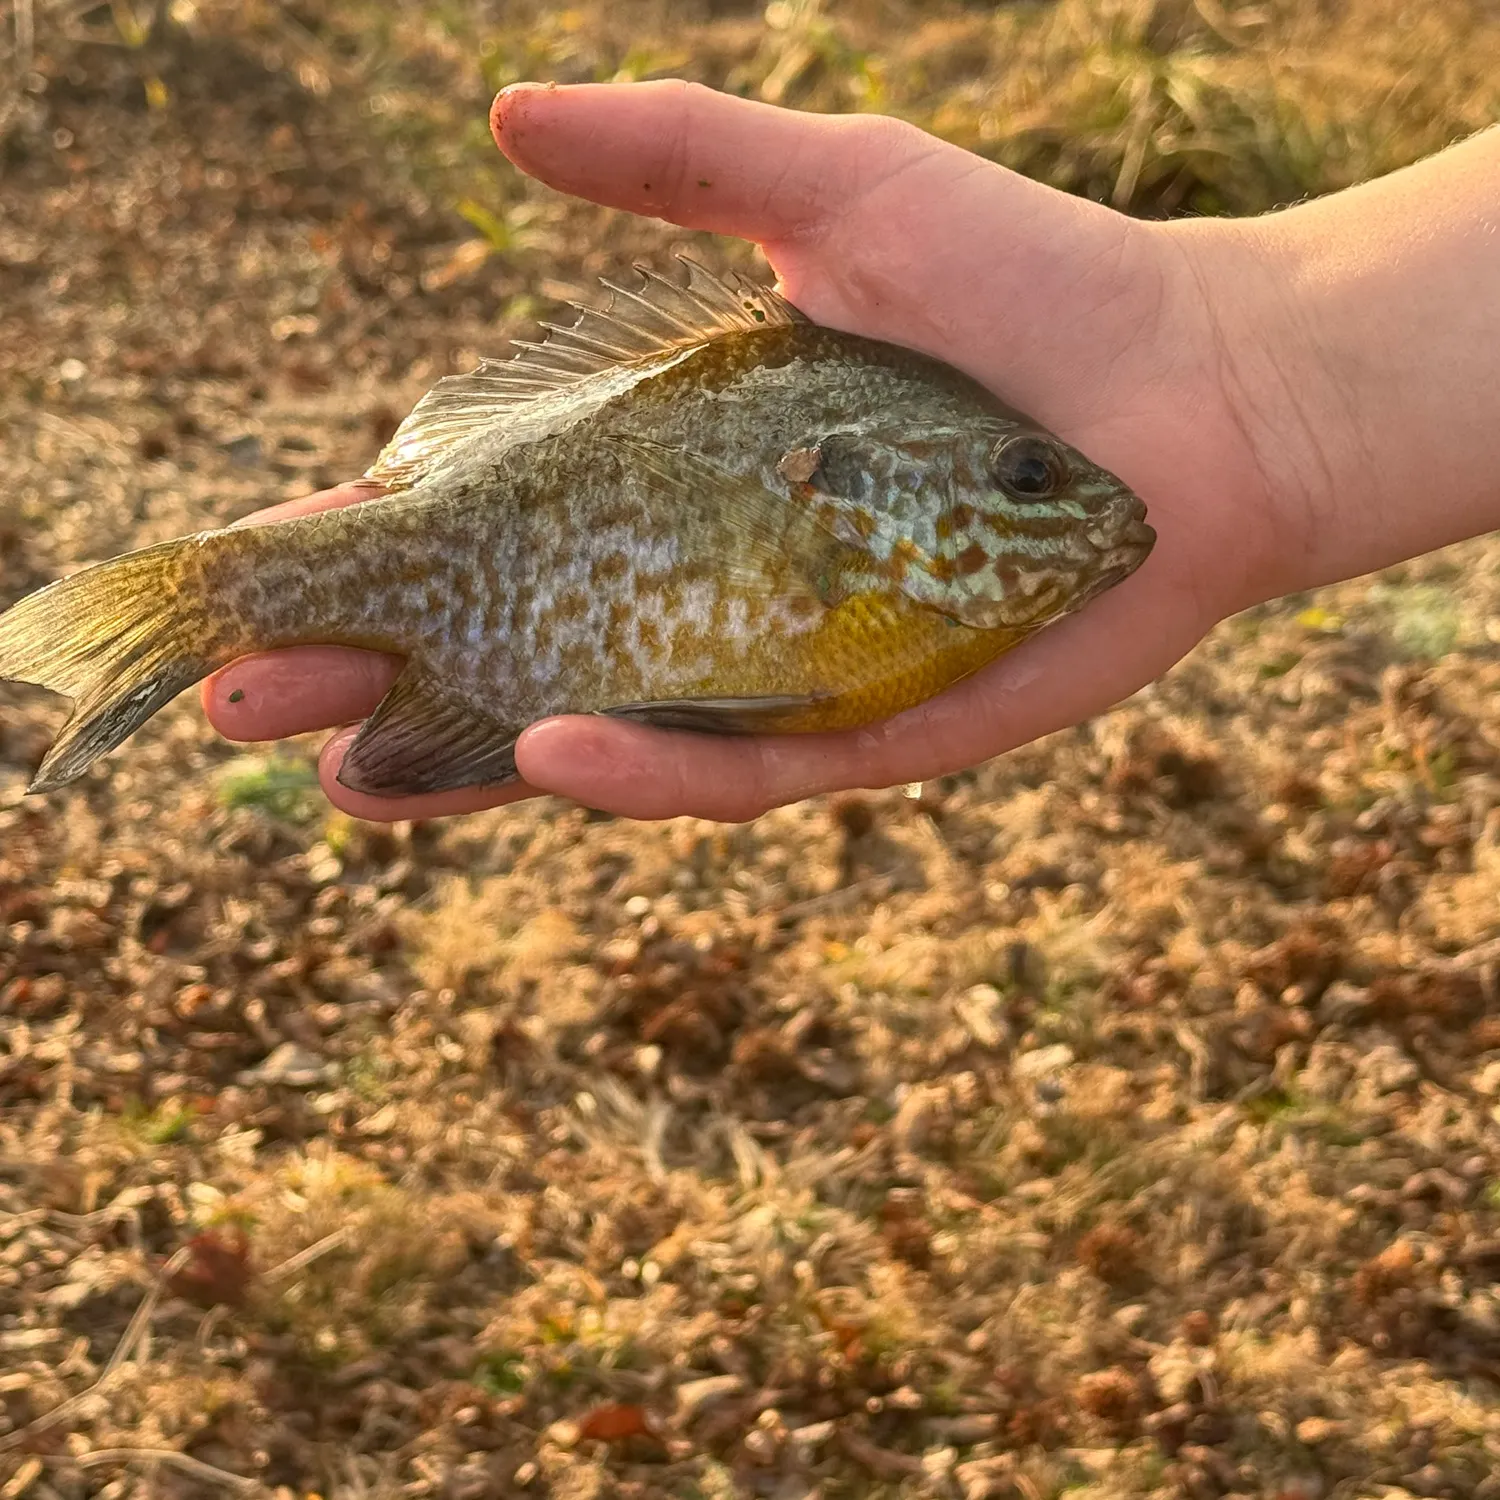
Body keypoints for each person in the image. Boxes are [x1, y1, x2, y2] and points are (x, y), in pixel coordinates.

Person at [201, 82, 1500, 824]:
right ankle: (186, 610)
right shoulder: (866, 561)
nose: (1077, 500)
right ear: (853, 485)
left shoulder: (901, 572)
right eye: (1025, 477)